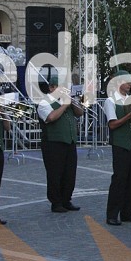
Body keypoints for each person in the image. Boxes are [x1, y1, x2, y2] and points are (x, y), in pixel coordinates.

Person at [37, 75, 83, 214]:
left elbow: (80, 113)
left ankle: (66, 199)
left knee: (70, 173)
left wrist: (73, 103)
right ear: (51, 88)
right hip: (53, 143)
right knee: (55, 174)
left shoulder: (66, 101)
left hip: (69, 141)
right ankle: (56, 202)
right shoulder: (44, 102)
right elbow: (50, 117)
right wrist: (64, 105)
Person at [103, 70, 131, 225]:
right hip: (120, 144)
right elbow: (112, 124)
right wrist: (129, 116)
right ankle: (112, 214)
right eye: (127, 82)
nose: (130, 84)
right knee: (119, 179)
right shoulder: (110, 101)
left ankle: (128, 212)